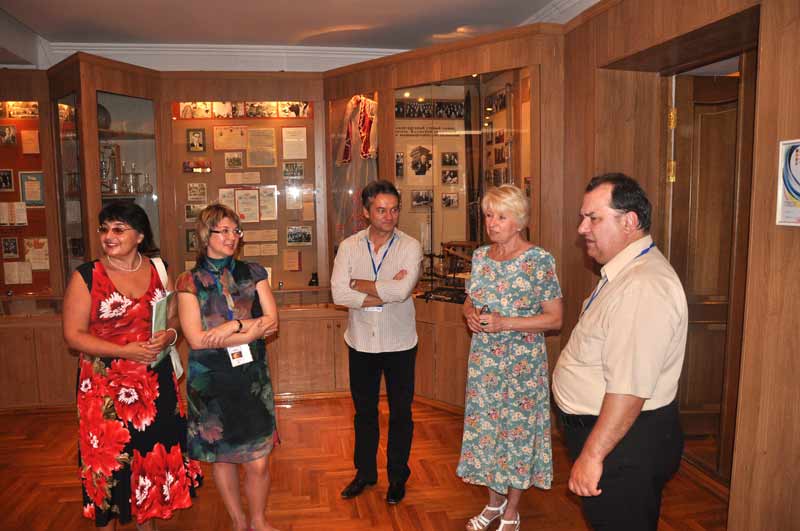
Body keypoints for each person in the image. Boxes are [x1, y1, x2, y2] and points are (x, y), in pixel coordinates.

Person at [552, 173, 688, 530]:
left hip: (623, 445)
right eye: (583, 217)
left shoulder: (643, 286)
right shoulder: (625, 272)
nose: (582, 228)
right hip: (617, 438)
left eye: (593, 218)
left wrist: (592, 456)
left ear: (629, 221)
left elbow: (629, 389)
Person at [62, 201, 202, 530]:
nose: (108, 236)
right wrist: (124, 351)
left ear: (139, 236)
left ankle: (146, 524)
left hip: (155, 385)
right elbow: (73, 335)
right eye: (104, 229)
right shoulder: (87, 276)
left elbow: (173, 319)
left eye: (118, 229)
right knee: (108, 466)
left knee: (149, 461)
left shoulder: (159, 269)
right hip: (104, 390)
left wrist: (168, 336)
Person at [457, 185, 563, 531]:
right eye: (489, 215)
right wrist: (470, 315)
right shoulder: (481, 257)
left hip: (522, 366)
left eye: (501, 217)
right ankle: (493, 503)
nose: (492, 223)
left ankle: (511, 511)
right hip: (484, 363)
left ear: (519, 221)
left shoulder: (539, 260)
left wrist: (506, 323)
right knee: (487, 432)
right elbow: (470, 300)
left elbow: (555, 319)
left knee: (516, 435)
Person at [176, 204, 280, 531]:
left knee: (258, 461)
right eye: (223, 230)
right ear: (205, 234)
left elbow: (273, 323)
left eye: (236, 230)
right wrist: (251, 329)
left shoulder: (254, 272)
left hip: (251, 380)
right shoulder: (189, 281)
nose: (232, 237)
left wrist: (232, 327)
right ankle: (239, 522)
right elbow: (196, 339)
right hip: (212, 383)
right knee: (222, 456)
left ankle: (259, 521)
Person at [331, 179, 422, 505]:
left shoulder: (410, 246)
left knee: (401, 414)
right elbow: (339, 293)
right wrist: (383, 291)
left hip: (400, 343)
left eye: (394, 210)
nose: (389, 216)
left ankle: (397, 477)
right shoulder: (349, 246)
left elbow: (403, 290)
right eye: (381, 210)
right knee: (364, 413)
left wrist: (359, 284)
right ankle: (365, 473)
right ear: (366, 212)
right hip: (361, 343)